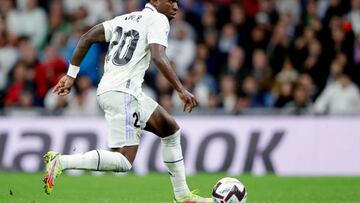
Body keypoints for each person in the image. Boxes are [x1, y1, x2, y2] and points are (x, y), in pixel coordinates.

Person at [43, 0, 212, 202]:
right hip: (123, 92)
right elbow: (158, 57)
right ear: (155, 1)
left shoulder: (123, 19)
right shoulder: (158, 19)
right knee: (124, 161)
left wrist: (71, 75)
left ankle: (183, 196)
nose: (175, 6)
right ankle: (60, 161)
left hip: (121, 90)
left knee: (170, 129)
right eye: (170, 1)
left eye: (177, 2)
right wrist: (181, 89)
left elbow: (86, 37)